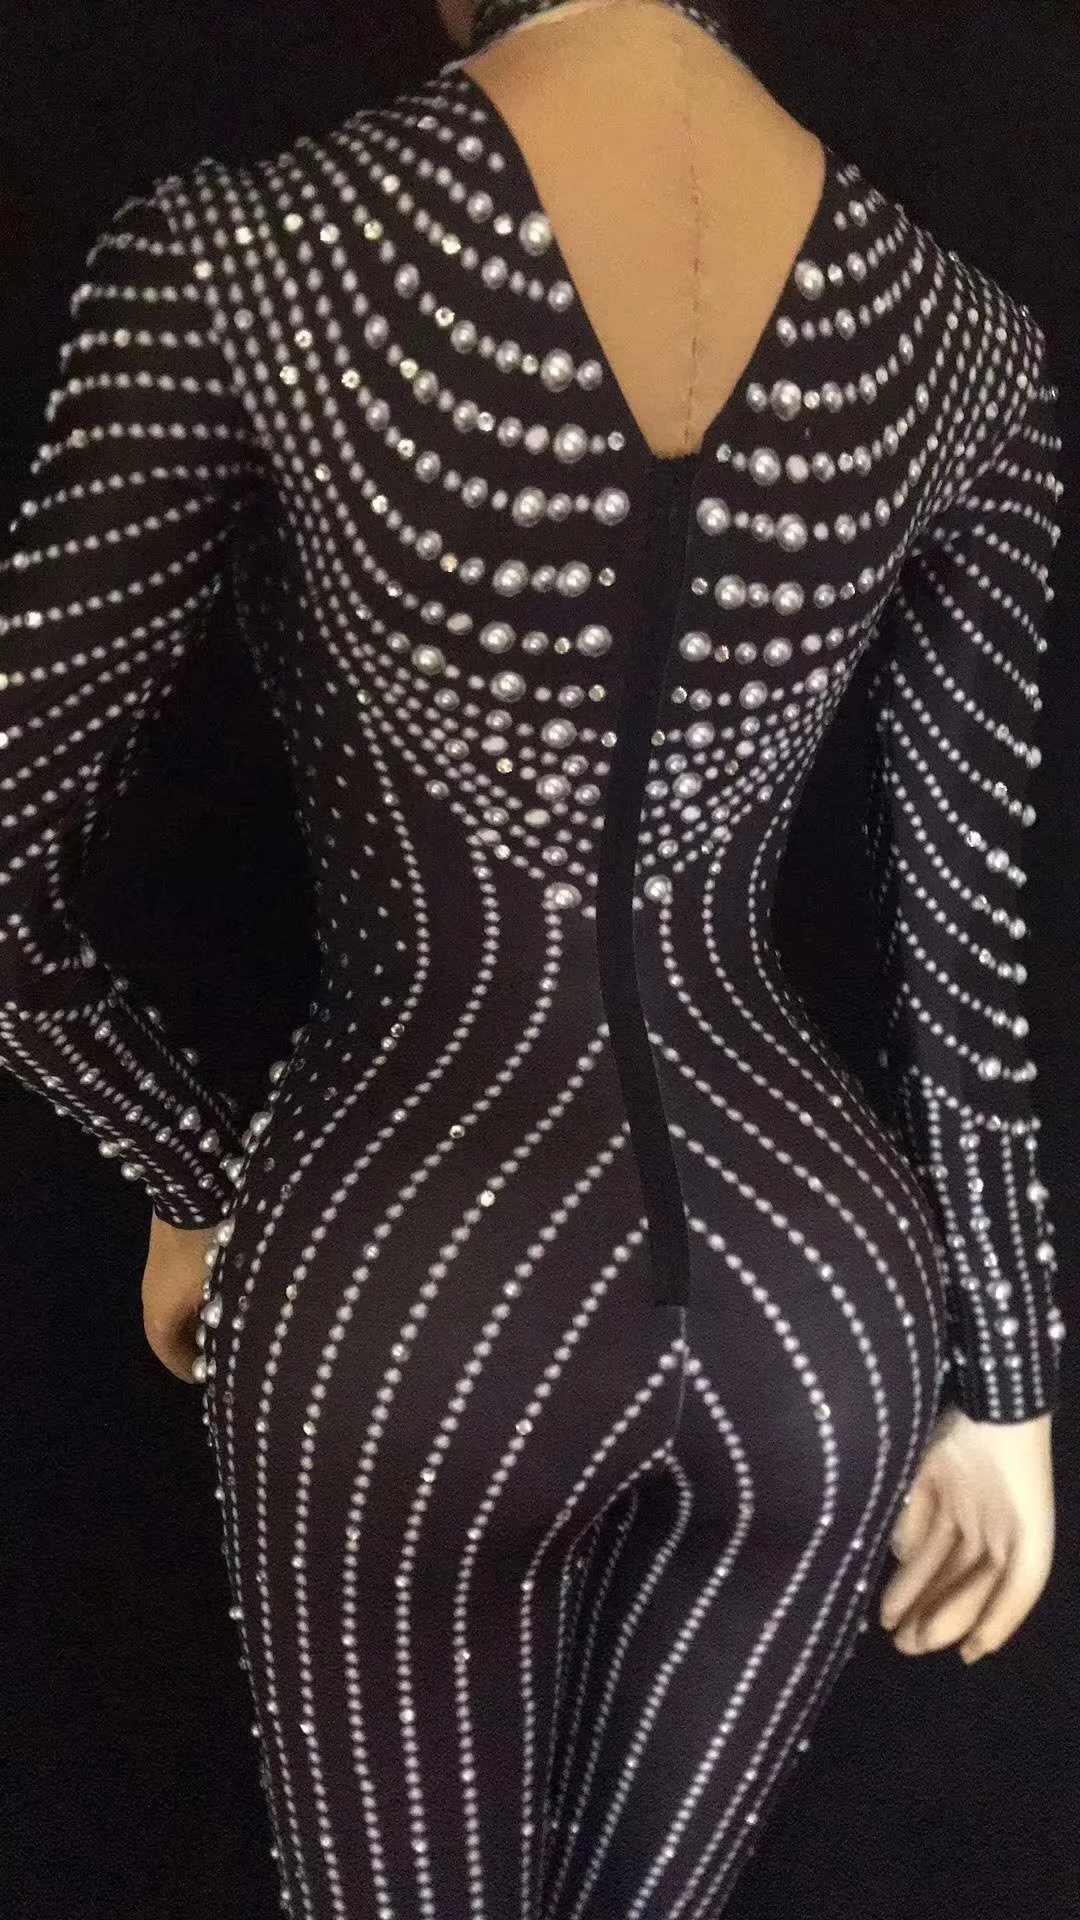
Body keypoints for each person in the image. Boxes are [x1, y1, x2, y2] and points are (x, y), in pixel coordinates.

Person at [0, 0, 1065, 1912]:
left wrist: (192, 1171)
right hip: (822, 1295)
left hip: (418, 1267)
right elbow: (968, 945)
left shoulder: (243, 257)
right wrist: (1014, 1386)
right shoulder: (972, 338)